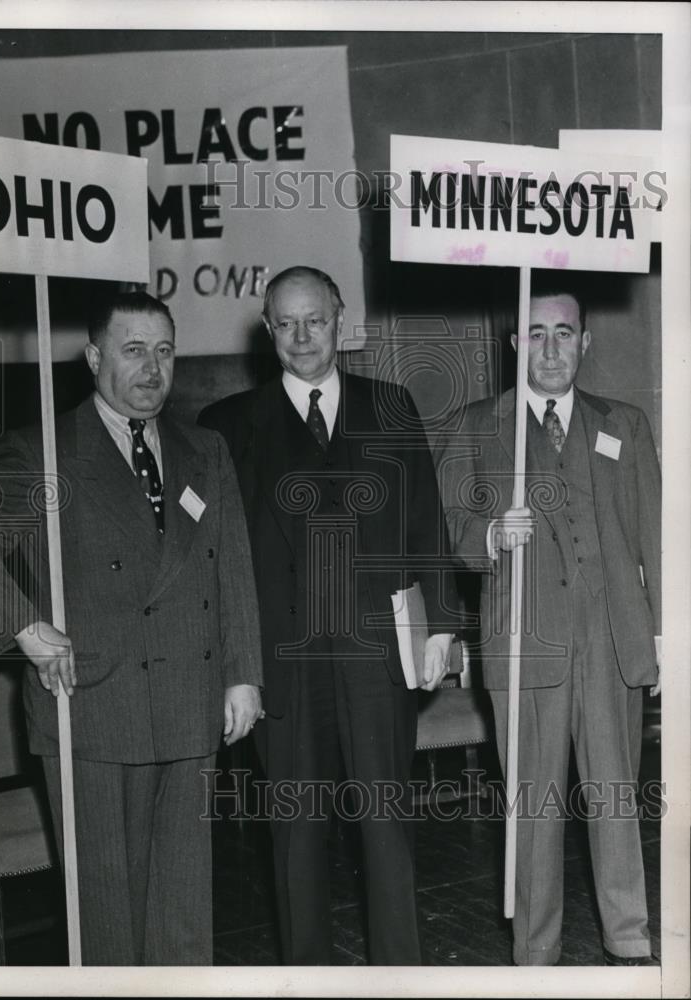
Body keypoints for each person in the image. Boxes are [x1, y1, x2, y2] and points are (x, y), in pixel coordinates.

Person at [0, 290, 264, 965]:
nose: (152, 368)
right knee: (105, 919)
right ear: (94, 358)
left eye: (164, 351)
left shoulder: (204, 449)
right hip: (89, 708)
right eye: (133, 350)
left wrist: (243, 676)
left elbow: (232, 568)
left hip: (189, 703)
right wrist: (25, 627)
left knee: (184, 910)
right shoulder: (43, 452)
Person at [198, 265, 460, 965]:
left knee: (387, 830)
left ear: (340, 320)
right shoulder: (227, 426)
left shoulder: (391, 405)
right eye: (286, 324)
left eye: (315, 320)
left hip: (377, 658)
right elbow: (216, 562)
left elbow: (426, 520)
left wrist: (441, 626)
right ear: (267, 330)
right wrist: (235, 667)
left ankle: (399, 977)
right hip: (282, 667)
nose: (302, 336)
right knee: (296, 841)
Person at [436, 278, 661, 966]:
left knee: (616, 797)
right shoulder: (478, 425)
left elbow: (656, 538)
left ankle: (628, 937)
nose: (551, 348)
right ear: (515, 344)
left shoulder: (622, 423)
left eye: (563, 332)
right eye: (536, 334)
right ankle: (536, 950)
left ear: (584, 342)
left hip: (612, 639)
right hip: (523, 641)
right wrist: (489, 534)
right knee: (532, 806)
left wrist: (663, 637)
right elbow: (444, 529)